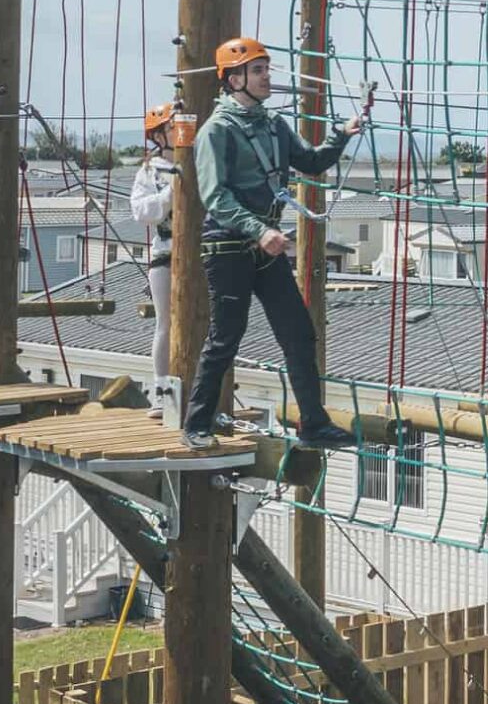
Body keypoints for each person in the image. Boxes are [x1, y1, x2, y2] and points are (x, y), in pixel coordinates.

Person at [185, 37, 372, 450]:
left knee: (298, 332)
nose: (268, 76)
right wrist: (260, 230)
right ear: (234, 79)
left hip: (263, 245)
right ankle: (196, 422)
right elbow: (215, 197)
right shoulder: (216, 131)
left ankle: (313, 423)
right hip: (229, 245)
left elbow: (311, 161)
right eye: (258, 70)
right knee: (226, 336)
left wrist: (341, 135)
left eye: (266, 69)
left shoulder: (272, 126)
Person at [129, 101, 180, 417]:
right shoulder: (150, 170)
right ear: (160, 135)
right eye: (173, 126)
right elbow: (140, 212)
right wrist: (168, 195)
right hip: (165, 254)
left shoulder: (200, 162)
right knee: (166, 322)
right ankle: (162, 390)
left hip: (202, 253)